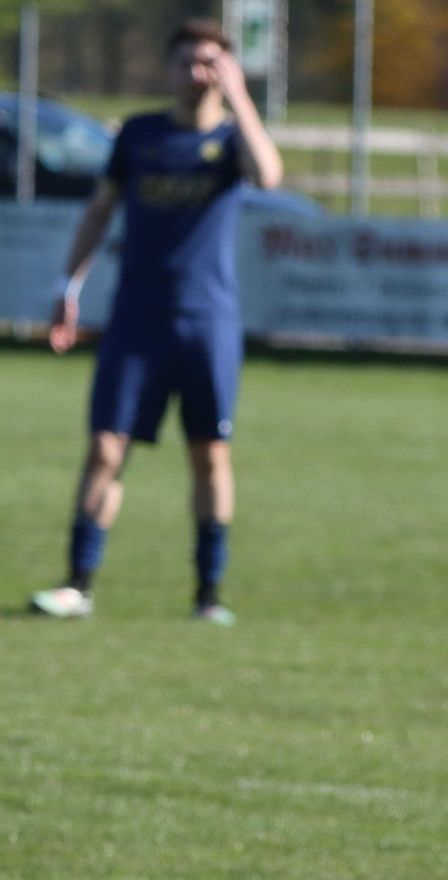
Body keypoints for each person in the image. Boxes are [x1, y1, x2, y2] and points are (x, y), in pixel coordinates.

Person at [28, 17, 283, 625]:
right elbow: (99, 210)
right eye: (189, 61)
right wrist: (70, 285)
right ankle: (77, 584)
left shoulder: (229, 141)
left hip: (207, 323)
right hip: (136, 320)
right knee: (106, 447)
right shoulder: (140, 134)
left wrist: (240, 96)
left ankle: (207, 595)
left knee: (210, 456)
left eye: (210, 62)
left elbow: (269, 176)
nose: (198, 73)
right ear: (169, 69)